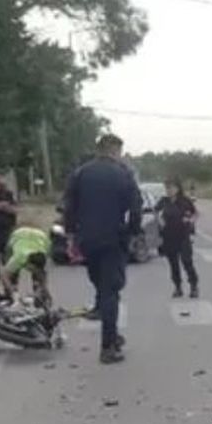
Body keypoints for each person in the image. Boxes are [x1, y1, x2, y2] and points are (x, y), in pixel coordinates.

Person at [63, 133, 143, 363]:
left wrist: (72, 237)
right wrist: (132, 233)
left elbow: (69, 207)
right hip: (112, 240)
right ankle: (108, 347)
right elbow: (135, 209)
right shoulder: (124, 174)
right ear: (115, 150)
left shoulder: (80, 173)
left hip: (87, 240)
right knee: (110, 292)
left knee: (101, 285)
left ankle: (111, 331)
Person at [155, 176, 199, 299]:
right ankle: (178, 287)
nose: (169, 190)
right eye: (167, 188)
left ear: (178, 188)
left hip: (183, 235)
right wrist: (159, 220)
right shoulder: (164, 201)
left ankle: (194, 286)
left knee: (187, 261)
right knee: (173, 264)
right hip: (169, 236)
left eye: (171, 188)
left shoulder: (185, 201)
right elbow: (155, 212)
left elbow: (195, 213)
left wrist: (190, 220)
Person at [0, 225, 52, 307]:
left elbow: (43, 276)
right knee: (11, 272)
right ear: (28, 263)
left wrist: (44, 290)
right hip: (18, 235)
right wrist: (12, 292)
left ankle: (38, 296)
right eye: (32, 269)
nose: (32, 271)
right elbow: (4, 275)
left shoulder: (44, 257)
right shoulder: (19, 257)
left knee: (39, 277)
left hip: (41, 237)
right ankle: (11, 296)